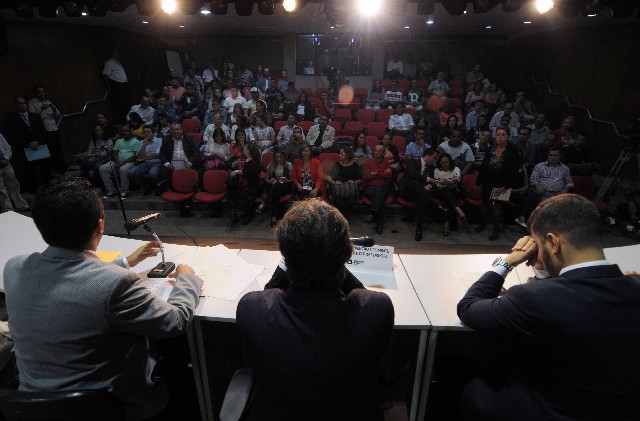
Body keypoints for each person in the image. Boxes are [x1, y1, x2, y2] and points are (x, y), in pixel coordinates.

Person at [3, 176, 203, 421]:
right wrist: (187, 279)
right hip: (106, 407)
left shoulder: (14, 268)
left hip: (34, 406)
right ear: (100, 225)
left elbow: (73, 279)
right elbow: (175, 322)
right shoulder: (117, 283)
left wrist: (126, 262)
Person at [457, 194, 640, 421]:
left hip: (546, 411)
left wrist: (507, 262)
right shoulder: (634, 285)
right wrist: (545, 267)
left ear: (553, 242)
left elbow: (468, 308)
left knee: (474, 389)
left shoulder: (533, 298)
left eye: (538, 243)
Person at [236, 199, 394, 420]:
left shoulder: (251, 309)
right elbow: (361, 293)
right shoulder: (378, 310)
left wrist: (293, 258)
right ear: (345, 254)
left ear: (287, 256)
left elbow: (269, 293)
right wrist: (333, 255)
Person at [475, 127, 526, 241]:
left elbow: (515, 171)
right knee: (485, 205)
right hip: (489, 181)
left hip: (503, 182)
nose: (500, 137)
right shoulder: (491, 148)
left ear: (507, 136)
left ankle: (496, 229)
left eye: (503, 135)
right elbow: (484, 166)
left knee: (496, 206)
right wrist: (479, 181)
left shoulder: (513, 150)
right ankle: (483, 223)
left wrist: (507, 186)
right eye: (498, 135)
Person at [399, 147, 442, 242]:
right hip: (407, 190)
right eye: (434, 157)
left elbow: (433, 182)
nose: (435, 160)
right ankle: (433, 203)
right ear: (428, 155)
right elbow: (411, 174)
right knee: (415, 183)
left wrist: (430, 185)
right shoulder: (413, 161)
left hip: (421, 193)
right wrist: (427, 179)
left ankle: (419, 229)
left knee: (420, 199)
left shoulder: (432, 168)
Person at [28, 85, 65, 174]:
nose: (42, 93)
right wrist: (41, 109)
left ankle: (62, 167)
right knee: (49, 151)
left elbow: (58, 113)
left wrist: (54, 110)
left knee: (58, 149)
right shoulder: (32, 102)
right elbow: (31, 115)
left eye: (43, 92)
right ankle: (53, 170)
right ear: (35, 93)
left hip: (54, 128)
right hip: (44, 130)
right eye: (39, 92)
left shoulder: (49, 101)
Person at [157, 123, 200, 195]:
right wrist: (167, 164)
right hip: (172, 165)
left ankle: (189, 189)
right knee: (163, 171)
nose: (175, 131)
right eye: (173, 130)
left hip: (188, 163)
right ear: (170, 131)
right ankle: (172, 189)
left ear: (182, 130)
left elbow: (196, 152)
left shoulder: (190, 138)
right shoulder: (166, 139)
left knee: (196, 170)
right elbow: (161, 155)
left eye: (177, 129)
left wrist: (190, 162)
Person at [98, 125, 140, 199]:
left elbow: (135, 156)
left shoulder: (136, 141)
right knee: (102, 168)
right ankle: (111, 190)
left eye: (126, 131)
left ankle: (124, 191)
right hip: (118, 162)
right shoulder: (118, 141)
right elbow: (114, 154)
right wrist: (117, 162)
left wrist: (122, 163)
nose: (124, 132)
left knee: (122, 169)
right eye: (123, 131)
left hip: (130, 162)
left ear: (131, 132)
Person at [256, 148, 293, 227]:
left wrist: (287, 180)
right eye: (277, 157)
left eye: (281, 157)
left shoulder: (288, 165)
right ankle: (273, 217)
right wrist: (270, 181)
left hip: (285, 186)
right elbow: (267, 179)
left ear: (284, 157)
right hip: (274, 187)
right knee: (277, 194)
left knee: (277, 185)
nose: (279, 159)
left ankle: (264, 203)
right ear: (275, 157)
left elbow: (292, 179)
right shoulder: (271, 165)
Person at [227, 143, 261, 227]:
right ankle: (233, 217)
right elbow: (230, 166)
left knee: (248, 196)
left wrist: (237, 171)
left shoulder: (255, 162)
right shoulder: (242, 159)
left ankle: (249, 215)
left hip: (252, 187)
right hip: (241, 185)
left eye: (245, 148)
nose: (244, 149)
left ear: (250, 151)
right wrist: (237, 164)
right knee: (232, 193)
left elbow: (248, 172)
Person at [433, 152, 466, 236]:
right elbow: (439, 185)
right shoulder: (437, 170)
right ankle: (457, 209)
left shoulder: (456, 169)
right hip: (440, 192)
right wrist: (450, 182)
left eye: (446, 162)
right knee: (446, 191)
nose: (445, 164)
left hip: (453, 191)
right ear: (440, 163)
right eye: (443, 162)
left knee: (448, 199)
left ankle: (446, 224)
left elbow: (457, 180)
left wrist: (446, 182)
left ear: (450, 162)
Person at [325, 146, 362, 217]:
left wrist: (354, 182)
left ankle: (346, 217)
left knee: (350, 201)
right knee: (337, 199)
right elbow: (328, 177)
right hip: (338, 189)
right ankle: (338, 217)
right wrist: (334, 182)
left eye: (341, 154)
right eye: (339, 153)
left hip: (350, 190)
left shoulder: (355, 165)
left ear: (347, 155)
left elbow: (360, 179)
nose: (339, 155)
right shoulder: (337, 164)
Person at [363, 144, 391, 235]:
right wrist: (382, 173)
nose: (376, 152)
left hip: (383, 187)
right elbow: (367, 176)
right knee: (380, 198)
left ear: (383, 153)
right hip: (370, 188)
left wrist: (375, 173)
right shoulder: (368, 162)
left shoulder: (386, 162)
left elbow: (388, 176)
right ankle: (380, 224)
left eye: (379, 151)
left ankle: (373, 212)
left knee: (379, 191)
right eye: (375, 150)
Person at [128, 124, 162, 196]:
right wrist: (144, 145)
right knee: (131, 173)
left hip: (156, 163)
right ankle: (145, 187)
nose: (146, 133)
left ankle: (158, 187)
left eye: (148, 132)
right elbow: (139, 156)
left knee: (152, 174)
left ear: (153, 133)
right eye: (145, 132)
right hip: (145, 163)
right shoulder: (142, 142)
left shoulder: (159, 140)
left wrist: (145, 158)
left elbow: (156, 154)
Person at [0, 131, 29, 212]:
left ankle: (21, 205)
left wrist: (6, 158)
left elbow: (7, 147)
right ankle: (8, 209)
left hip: (6, 162)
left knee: (13, 184)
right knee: (1, 189)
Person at [101, 50, 130, 123]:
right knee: (120, 105)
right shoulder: (109, 63)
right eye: (117, 54)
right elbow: (105, 74)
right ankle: (122, 122)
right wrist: (108, 86)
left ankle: (128, 121)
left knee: (126, 104)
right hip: (117, 86)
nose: (119, 55)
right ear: (113, 54)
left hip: (124, 86)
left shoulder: (118, 63)